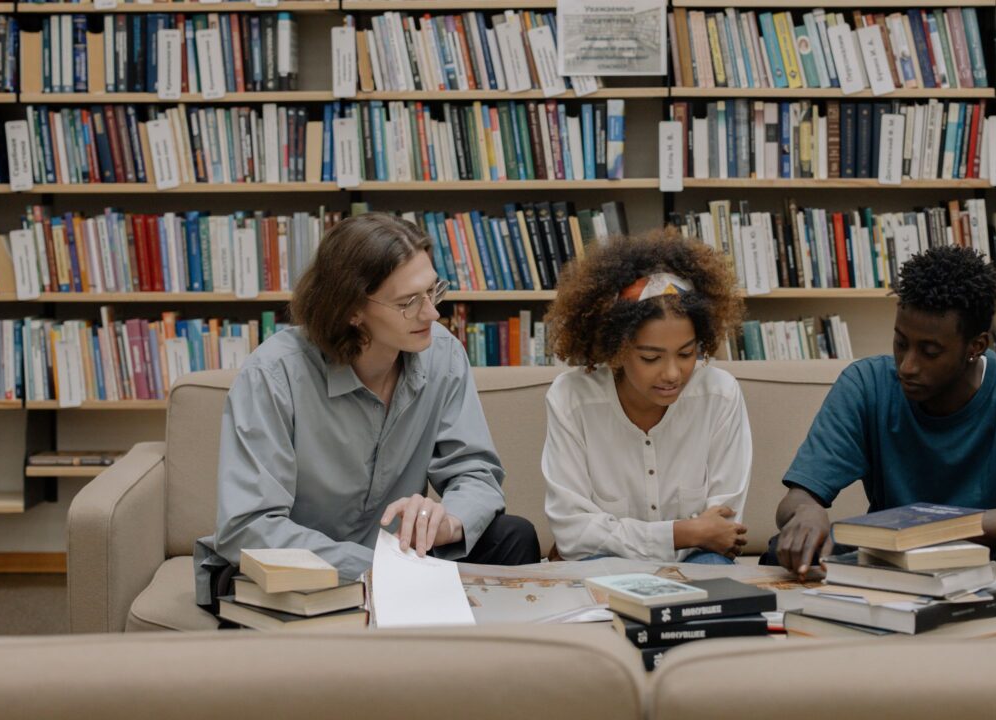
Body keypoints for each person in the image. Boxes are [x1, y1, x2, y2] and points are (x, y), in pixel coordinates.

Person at [194, 213, 540, 614]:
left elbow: (475, 471)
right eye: (409, 302)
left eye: (433, 292)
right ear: (352, 310)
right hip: (302, 569)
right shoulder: (273, 376)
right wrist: (381, 570)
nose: (432, 314)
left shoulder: (441, 354)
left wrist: (449, 521)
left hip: (398, 560)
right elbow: (248, 527)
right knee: (278, 585)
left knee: (513, 536)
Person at [765, 245, 996, 633]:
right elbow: (796, 499)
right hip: (892, 557)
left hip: (992, 557)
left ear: (976, 346)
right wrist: (807, 511)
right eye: (901, 343)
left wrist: (931, 527)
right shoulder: (866, 384)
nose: (908, 366)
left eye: (930, 351)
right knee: (784, 550)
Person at [541, 230, 751, 564]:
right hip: (606, 564)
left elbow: (722, 530)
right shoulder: (571, 399)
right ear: (617, 350)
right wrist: (682, 533)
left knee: (714, 570)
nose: (672, 373)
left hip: (699, 560)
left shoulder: (720, 395)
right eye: (651, 358)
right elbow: (573, 534)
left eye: (686, 354)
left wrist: (692, 536)